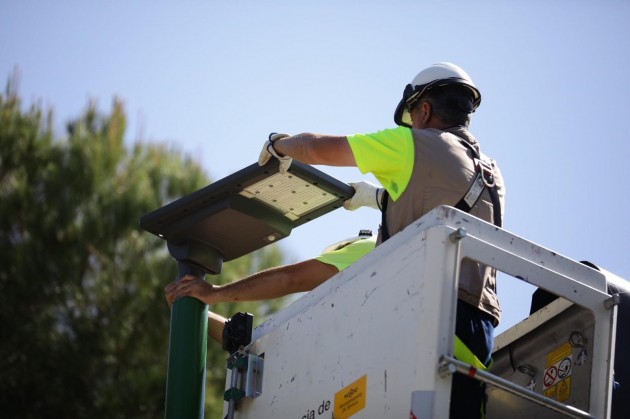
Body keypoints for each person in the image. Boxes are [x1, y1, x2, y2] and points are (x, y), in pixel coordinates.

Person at [257, 62, 505, 418]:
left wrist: (277, 144)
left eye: (413, 116)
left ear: (424, 109)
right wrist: (375, 197)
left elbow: (314, 149)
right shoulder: (491, 173)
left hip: (427, 317)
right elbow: (440, 204)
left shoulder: (410, 144)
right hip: (476, 334)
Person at [165, 232, 376, 344]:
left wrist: (214, 293)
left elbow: (290, 279)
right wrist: (189, 308)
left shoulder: (369, 247)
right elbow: (241, 343)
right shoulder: (335, 331)